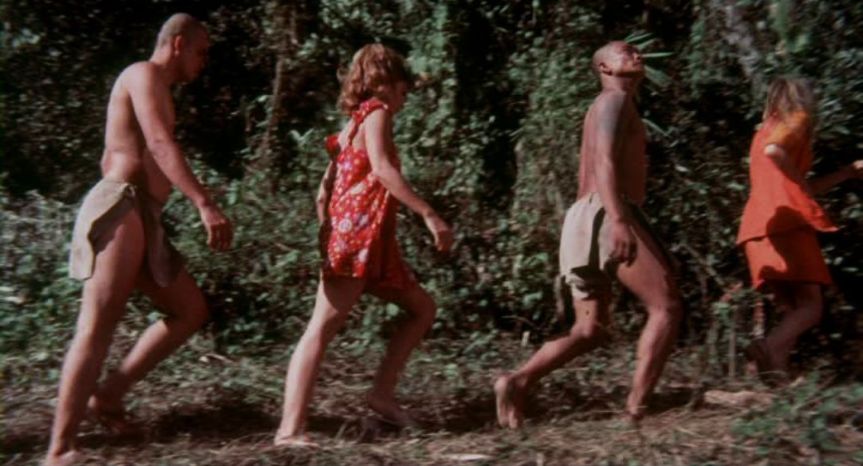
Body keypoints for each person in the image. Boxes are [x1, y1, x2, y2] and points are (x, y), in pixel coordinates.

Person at [45, 13, 233, 466]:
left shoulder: (159, 88)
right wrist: (204, 203)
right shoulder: (142, 74)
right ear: (178, 43)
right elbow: (160, 144)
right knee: (97, 325)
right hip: (122, 206)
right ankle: (59, 449)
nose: (203, 62)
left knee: (190, 310)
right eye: (201, 51)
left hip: (144, 215)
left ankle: (109, 395)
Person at [494, 41, 682, 428]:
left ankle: (517, 381)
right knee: (666, 307)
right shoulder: (614, 100)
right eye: (625, 52)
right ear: (604, 67)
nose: (636, 56)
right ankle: (635, 412)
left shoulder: (610, 103)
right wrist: (619, 219)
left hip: (581, 219)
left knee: (590, 329)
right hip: (606, 211)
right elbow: (604, 160)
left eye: (637, 51)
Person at [274, 44, 454, 447]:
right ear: (384, 82)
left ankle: (382, 396)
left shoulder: (350, 125)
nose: (404, 98)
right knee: (320, 328)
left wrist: (330, 231)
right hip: (358, 241)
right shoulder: (376, 113)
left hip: (369, 243)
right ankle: (289, 430)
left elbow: (322, 193)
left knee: (422, 309)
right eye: (403, 89)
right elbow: (384, 170)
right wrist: (429, 214)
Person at [737, 77, 863, 384]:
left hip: (758, 227)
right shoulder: (797, 119)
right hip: (787, 223)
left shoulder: (764, 130)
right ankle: (766, 347)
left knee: (794, 308)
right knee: (811, 307)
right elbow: (775, 152)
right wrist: (796, 180)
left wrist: (847, 173)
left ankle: (777, 378)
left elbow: (800, 184)